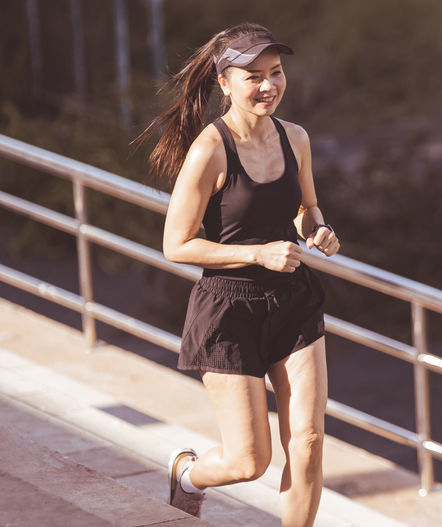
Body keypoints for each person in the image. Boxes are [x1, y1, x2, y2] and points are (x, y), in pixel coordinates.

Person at [131, 22, 340, 525]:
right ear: (224, 83)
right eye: (254, 76)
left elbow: (306, 209)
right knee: (250, 462)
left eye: (276, 72)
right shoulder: (210, 149)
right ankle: (187, 474)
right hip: (228, 310)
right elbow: (175, 244)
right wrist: (257, 254)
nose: (269, 86)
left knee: (308, 444)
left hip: (294, 300)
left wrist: (319, 228)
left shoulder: (296, 138)